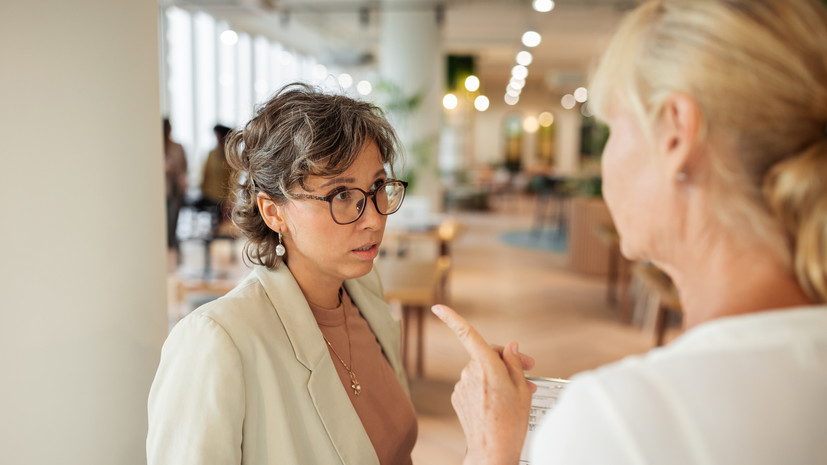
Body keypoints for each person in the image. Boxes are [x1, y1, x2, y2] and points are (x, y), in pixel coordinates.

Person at [433, 0, 827, 464]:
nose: (606, 159)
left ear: (675, 135)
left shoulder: (624, 419)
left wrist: (489, 446)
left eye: (613, 127)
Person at [147, 83, 417, 465]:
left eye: (376, 187)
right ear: (273, 212)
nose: (374, 218)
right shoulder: (217, 342)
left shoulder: (362, 289)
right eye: (341, 194)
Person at [198, 124, 234, 228]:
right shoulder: (211, 154)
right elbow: (205, 174)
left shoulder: (231, 157)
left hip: (224, 197)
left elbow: (234, 181)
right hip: (209, 195)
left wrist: (230, 199)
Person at [163, 118, 188, 251]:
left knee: (173, 217)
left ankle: (172, 243)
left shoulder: (177, 147)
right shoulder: (155, 146)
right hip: (162, 189)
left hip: (176, 189)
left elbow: (184, 168)